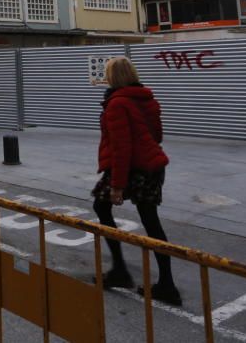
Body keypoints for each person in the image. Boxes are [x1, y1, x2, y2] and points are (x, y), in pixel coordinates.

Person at [91, 56, 182, 306]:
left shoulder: (117, 104)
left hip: (133, 168)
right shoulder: (146, 98)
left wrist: (118, 186)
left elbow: (122, 148)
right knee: (151, 222)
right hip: (151, 166)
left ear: (113, 77)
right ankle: (165, 283)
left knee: (102, 206)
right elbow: (157, 135)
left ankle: (122, 271)